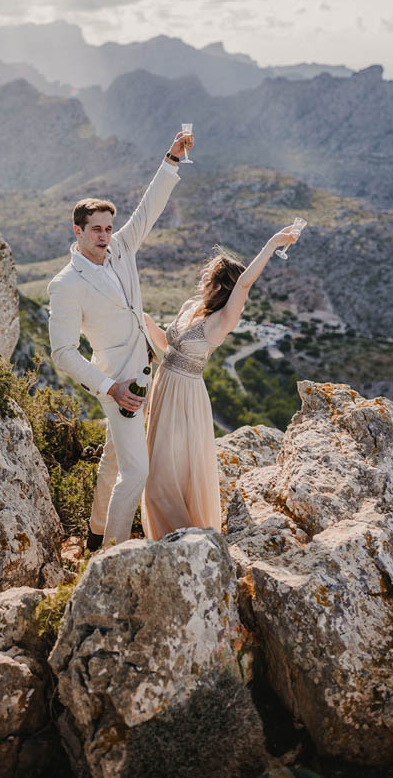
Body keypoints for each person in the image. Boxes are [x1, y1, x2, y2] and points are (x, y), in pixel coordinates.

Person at [47, 131, 191, 551]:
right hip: (118, 386)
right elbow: (62, 353)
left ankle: (94, 536)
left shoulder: (123, 248)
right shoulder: (65, 284)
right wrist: (111, 387)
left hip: (147, 369)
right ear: (77, 230)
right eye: (96, 229)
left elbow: (150, 208)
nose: (105, 235)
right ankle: (111, 554)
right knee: (136, 473)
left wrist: (172, 159)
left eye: (109, 227)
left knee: (112, 462)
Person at [141, 225, 302, 540]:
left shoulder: (221, 321)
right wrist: (144, 320)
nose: (202, 279)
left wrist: (271, 244)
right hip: (164, 387)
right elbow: (166, 347)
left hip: (186, 396)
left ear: (221, 286)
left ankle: (187, 539)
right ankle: (164, 539)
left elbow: (245, 283)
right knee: (155, 469)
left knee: (168, 474)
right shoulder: (190, 307)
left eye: (209, 276)